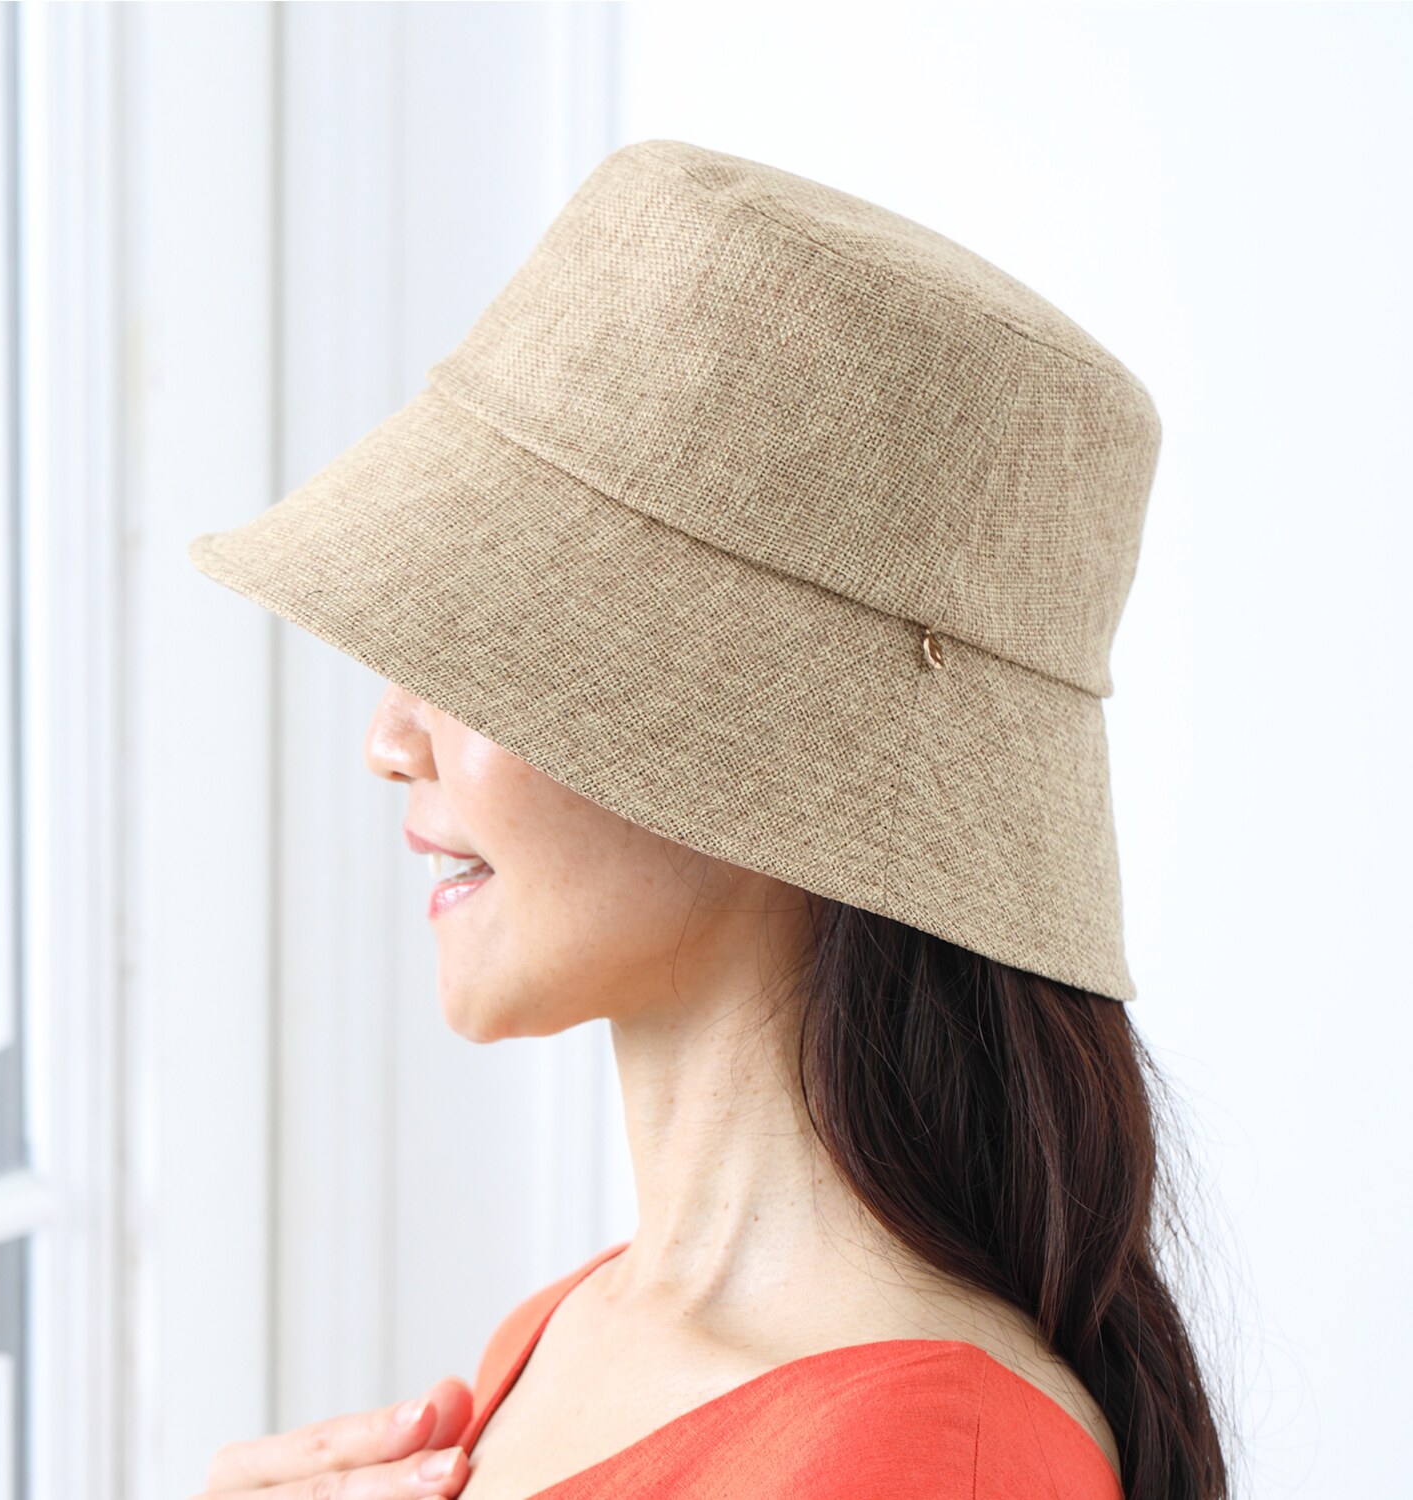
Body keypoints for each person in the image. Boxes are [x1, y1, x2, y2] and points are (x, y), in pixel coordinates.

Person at [185, 139, 1233, 1499]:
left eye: (478, 648)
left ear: (758, 745)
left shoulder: (920, 1460)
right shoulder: (570, 1334)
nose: (390, 743)